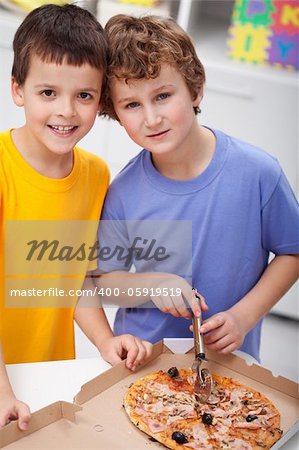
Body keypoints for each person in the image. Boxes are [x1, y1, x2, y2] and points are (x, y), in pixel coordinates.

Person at [96, 14, 299, 364]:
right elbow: (103, 281)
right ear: (115, 112)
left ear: (195, 88)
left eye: (162, 96)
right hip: (145, 363)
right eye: (131, 104)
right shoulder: (123, 192)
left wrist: (244, 316)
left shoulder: (259, 173)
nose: (151, 118)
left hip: (229, 363)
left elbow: (292, 252)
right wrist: (154, 286)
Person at [0, 5, 152, 431]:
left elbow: (77, 276)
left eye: (83, 95)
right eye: (48, 92)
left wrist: (105, 340)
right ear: (18, 89)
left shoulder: (96, 176)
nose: (66, 111)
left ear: (100, 97)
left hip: (48, 372)